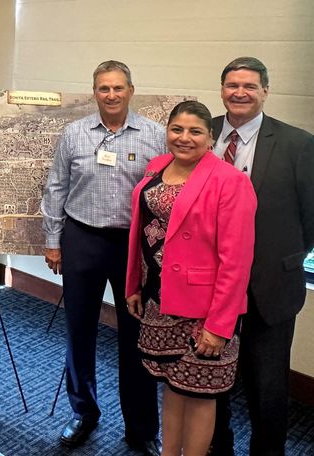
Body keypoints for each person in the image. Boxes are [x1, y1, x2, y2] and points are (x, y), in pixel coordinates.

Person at [40, 60, 163, 454]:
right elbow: (56, 188)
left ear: (131, 90)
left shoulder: (155, 136)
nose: (111, 95)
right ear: (94, 92)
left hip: (132, 247)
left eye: (118, 88)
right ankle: (83, 413)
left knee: (136, 336)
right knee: (80, 331)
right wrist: (53, 241)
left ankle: (141, 428)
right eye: (103, 88)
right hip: (83, 240)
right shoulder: (74, 134)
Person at [125, 100, 257, 456]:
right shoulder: (158, 165)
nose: (184, 138)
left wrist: (219, 324)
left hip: (204, 310)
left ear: (210, 137)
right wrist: (134, 285)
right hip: (159, 298)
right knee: (171, 385)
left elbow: (237, 261)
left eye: (195, 131)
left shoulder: (230, 182)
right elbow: (143, 231)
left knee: (200, 393)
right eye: (177, 129)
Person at [209, 57, 314, 456]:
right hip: (210, 286)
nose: (240, 92)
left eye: (250, 86)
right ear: (221, 90)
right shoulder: (203, 133)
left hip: (268, 286)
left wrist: (277, 256)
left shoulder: (297, 144)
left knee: (267, 385)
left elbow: (311, 218)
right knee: (211, 376)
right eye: (232, 84)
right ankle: (218, 446)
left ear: (265, 91)